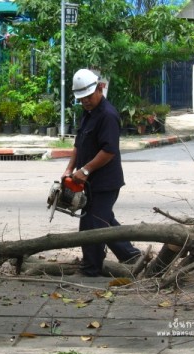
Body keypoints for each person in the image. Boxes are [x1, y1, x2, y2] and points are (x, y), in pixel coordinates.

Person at [62, 68, 141, 277]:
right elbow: (79, 144)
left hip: (105, 183)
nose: (85, 102)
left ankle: (91, 269)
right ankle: (134, 258)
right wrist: (70, 169)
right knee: (104, 221)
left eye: (88, 97)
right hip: (88, 182)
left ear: (99, 89)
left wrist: (86, 170)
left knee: (92, 227)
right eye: (81, 99)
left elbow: (109, 151)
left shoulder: (108, 115)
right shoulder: (87, 113)